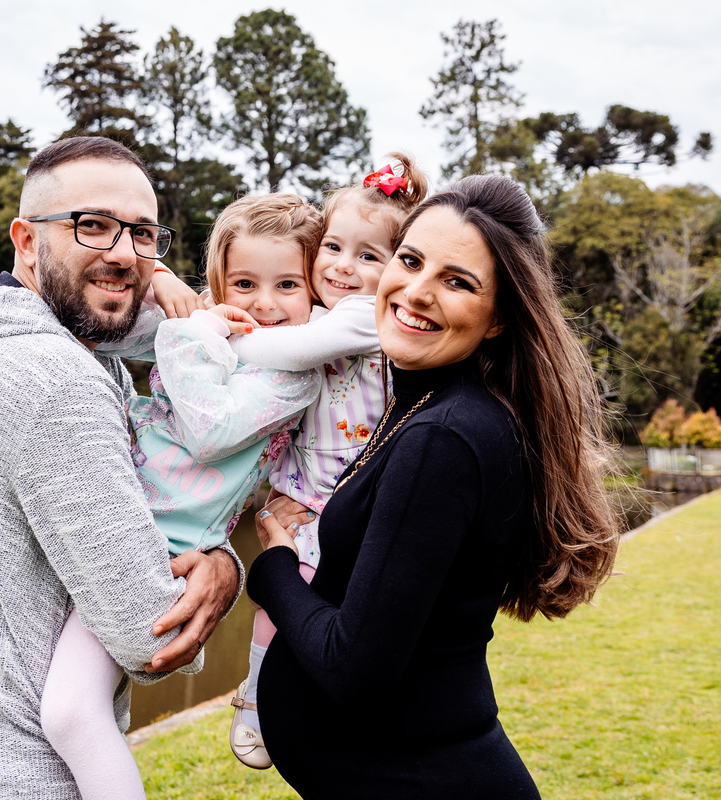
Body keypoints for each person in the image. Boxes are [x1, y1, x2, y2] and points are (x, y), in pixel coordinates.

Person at [0, 136, 242, 800]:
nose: (124, 253)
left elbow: (156, 330)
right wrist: (224, 566)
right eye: (91, 225)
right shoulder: (54, 379)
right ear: (27, 240)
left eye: (143, 234)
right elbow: (147, 631)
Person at [248, 175, 622, 798]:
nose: (415, 292)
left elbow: (354, 669)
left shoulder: (444, 438)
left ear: (499, 316)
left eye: (457, 281)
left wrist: (274, 571)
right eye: (411, 260)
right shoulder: (424, 406)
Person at [39, 193, 323, 800]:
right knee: (62, 702)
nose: (265, 304)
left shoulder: (291, 374)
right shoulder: (223, 337)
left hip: (162, 549)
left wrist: (192, 331)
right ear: (219, 283)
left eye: (287, 285)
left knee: (70, 711)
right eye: (244, 282)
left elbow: (209, 428)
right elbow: (98, 331)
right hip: (109, 521)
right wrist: (164, 283)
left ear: (314, 291)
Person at [219, 155, 429, 768]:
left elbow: (293, 346)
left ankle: (265, 702)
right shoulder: (317, 310)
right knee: (282, 598)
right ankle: (261, 696)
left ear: (398, 269)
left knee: (299, 595)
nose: (343, 265)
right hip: (305, 489)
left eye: (370, 255)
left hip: (339, 497)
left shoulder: (367, 319)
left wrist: (221, 336)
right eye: (333, 247)